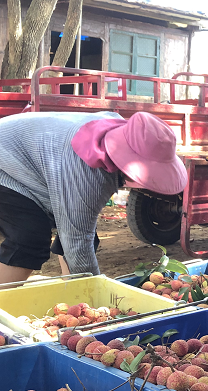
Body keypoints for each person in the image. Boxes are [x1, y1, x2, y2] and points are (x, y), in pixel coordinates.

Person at [0, 111, 188, 283]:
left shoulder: (116, 131)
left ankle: (72, 293)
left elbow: (78, 228)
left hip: (26, 163)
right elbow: (77, 240)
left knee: (83, 232)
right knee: (29, 237)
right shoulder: (86, 169)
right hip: (6, 165)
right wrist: (94, 296)